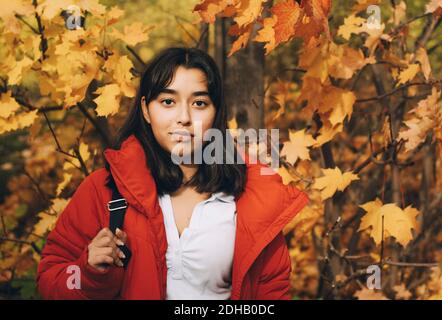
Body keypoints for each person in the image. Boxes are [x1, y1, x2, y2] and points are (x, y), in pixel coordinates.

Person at [36, 47, 309, 300]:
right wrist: (89, 271)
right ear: (145, 109)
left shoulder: (251, 196)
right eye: (168, 101)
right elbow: (51, 281)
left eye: (199, 103)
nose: (184, 117)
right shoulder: (106, 190)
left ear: (216, 112)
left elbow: (271, 293)